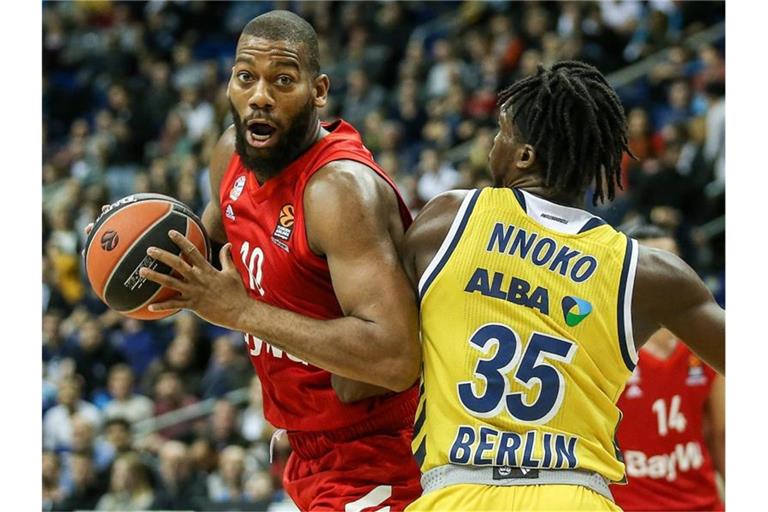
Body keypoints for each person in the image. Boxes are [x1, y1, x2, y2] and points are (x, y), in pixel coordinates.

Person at [400, 61, 725, 511]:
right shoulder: (645, 272)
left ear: (524, 156)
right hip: (575, 494)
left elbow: (384, 353)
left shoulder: (449, 221)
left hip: (458, 490)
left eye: (501, 132)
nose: (493, 144)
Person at [135, 10, 421, 511]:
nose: (260, 96)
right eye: (246, 77)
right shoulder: (230, 154)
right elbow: (204, 244)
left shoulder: (338, 191)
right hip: (305, 448)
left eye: (282, 80)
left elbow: (396, 358)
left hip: (382, 451)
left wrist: (241, 313)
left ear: (319, 91)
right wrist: (130, 248)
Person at [611, 224, 725, 511]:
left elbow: (722, 432)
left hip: (701, 502)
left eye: (671, 260)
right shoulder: (609, 344)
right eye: (654, 261)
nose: (663, 275)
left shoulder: (707, 345)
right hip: (627, 504)